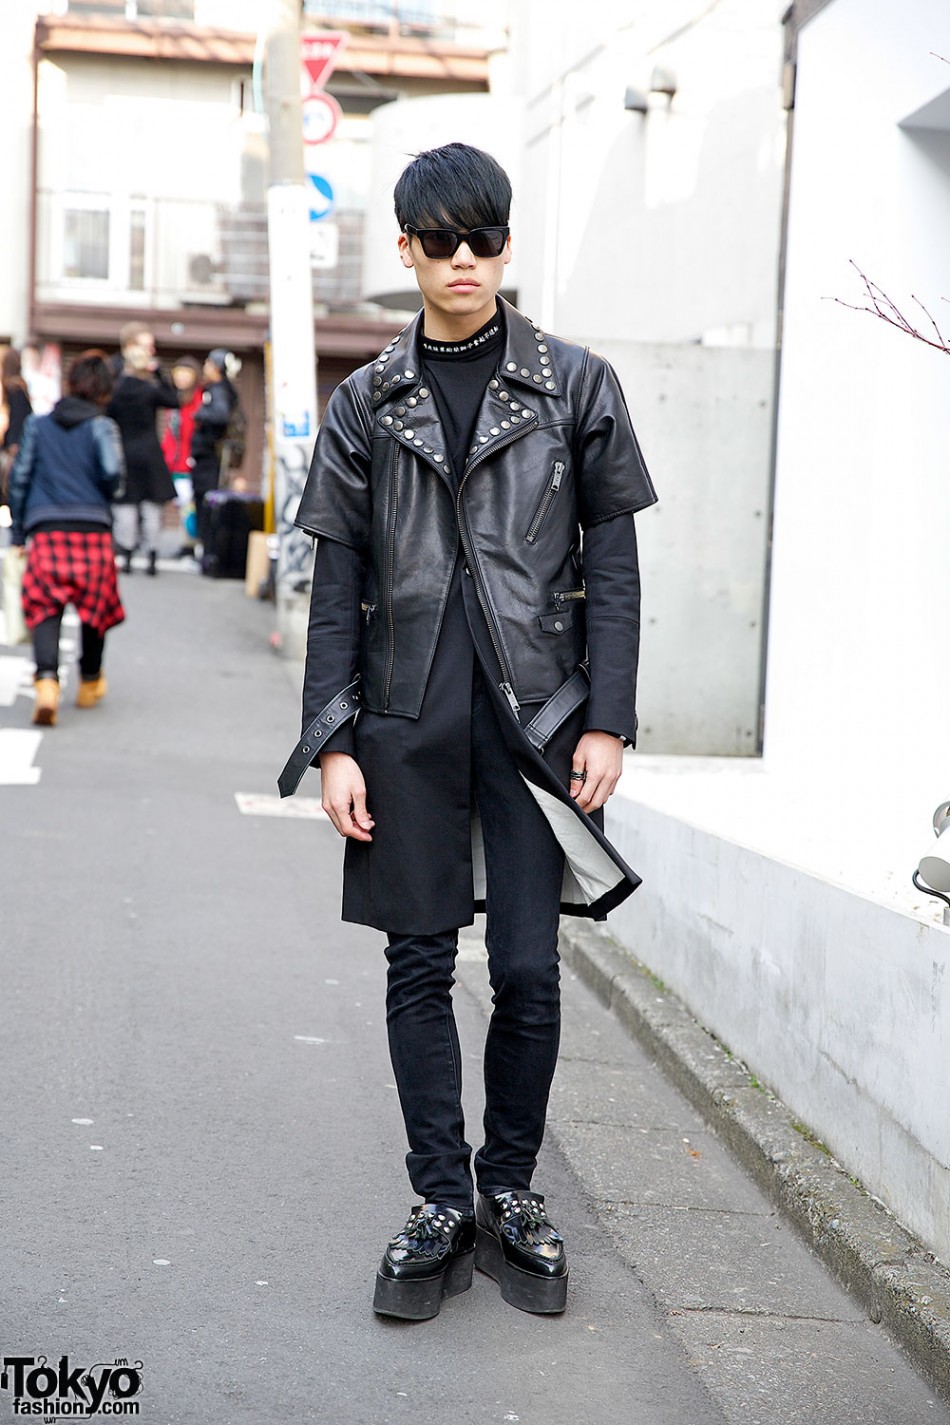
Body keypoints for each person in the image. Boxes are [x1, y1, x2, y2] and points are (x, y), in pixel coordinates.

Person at [279, 143, 657, 1321]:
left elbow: (618, 567)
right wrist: (333, 736)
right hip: (403, 716)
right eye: (437, 242)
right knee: (417, 963)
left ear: (505, 245)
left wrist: (607, 718)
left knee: (531, 972)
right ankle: (440, 1198)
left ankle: (512, 1191)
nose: (461, 261)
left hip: (537, 719)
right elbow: (334, 577)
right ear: (403, 249)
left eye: (481, 239)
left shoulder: (575, 384)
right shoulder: (366, 398)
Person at [8, 349, 126, 726]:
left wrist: (19, 530)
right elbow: (112, 475)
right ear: (103, 389)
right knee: (95, 609)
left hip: (47, 528)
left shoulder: (38, 425)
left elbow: (20, 477)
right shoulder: (102, 426)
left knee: (45, 607)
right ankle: (89, 681)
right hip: (91, 528)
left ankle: (46, 683)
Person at [107, 322, 178, 575]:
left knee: (127, 506)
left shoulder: (115, 385)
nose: (150, 350)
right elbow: (174, 400)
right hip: (148, 453)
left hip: (124, 453)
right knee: (150, 508)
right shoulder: (147, 387)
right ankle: (150, 555)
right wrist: (158, 374)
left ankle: (126, 554)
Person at [189, 348, 240, 569]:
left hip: (209, 459)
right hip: (211, 459)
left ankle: (208, 556)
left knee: (206, 506)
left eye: (208, 363)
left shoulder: (219, 390)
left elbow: (220, 415)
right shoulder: (224, 390)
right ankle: (208, 554)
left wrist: (199, 414)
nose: (204, 368)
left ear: (216, 367)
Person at [160, 355, 203, 557]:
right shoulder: (172, 399)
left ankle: (192, 544)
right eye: (179, 373)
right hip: (173, 462)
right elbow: (170, 434)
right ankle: (188, 543)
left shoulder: (200, 399)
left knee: (189, 506)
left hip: (190, 462)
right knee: (182, 506)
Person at [1, 348, 33, 502]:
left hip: (13, 449)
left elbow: (17, 420)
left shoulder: (15, 389)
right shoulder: (18, 388)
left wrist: (13, 444)